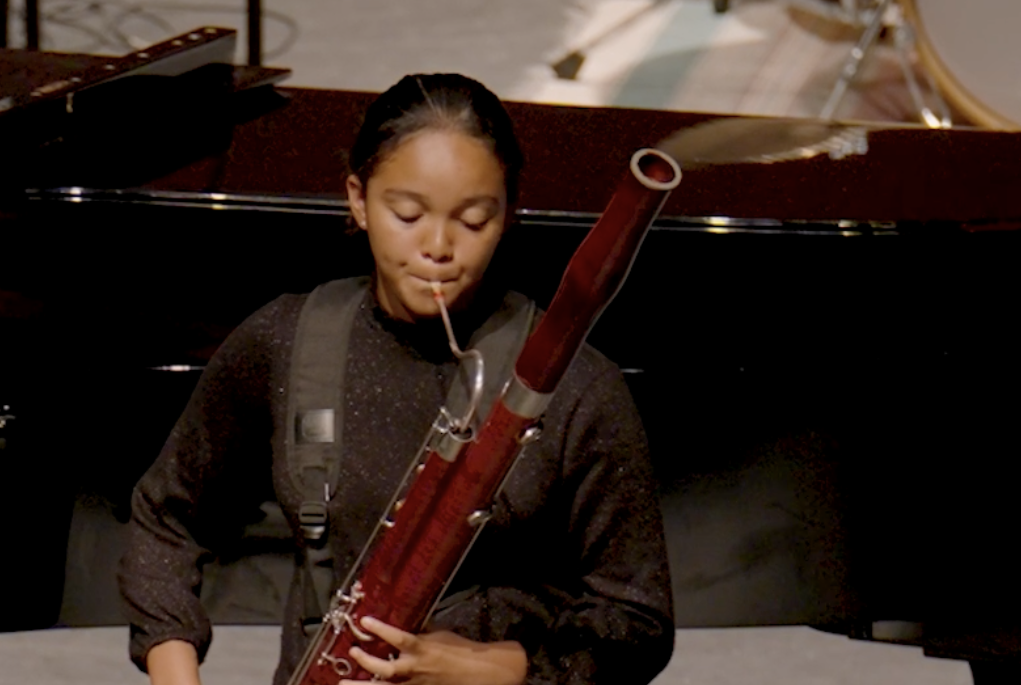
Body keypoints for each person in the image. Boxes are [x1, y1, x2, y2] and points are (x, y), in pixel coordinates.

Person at [118, 73, 674, 685]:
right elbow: (167, 516)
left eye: (473, 220)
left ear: (511, 214)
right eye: (406, 213)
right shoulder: (284, 342)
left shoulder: (576, 386)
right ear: (357, 199)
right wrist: (176, 672)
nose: (437, 246)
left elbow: (637, 621)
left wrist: (493, 667)